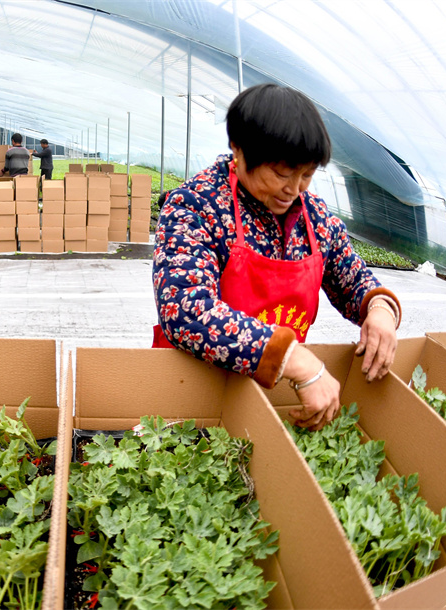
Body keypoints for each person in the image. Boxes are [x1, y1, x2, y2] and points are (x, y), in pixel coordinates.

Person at [153, 83, 400, 432]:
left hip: (267, 396)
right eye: (283, 173)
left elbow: (353, 279)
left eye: (307, 175)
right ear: (238, 149)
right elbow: (186, 310)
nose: (294, 188)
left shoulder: (314, 217)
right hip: (193, 393)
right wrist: (293, 357)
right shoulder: (195, 207)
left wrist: (379, 310)